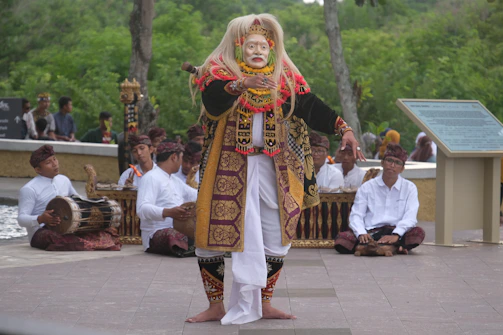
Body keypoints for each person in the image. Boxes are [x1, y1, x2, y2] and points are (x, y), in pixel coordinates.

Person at [185, 14, 364, 324]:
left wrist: (343, 128)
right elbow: (213, 102)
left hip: (274, 166)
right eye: (250, 45)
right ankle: (216, 305)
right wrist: (241, 84)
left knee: (279, 235)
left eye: (263, 46)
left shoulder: (284, 80)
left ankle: (265, 303)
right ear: (239, 48)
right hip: (227, 164)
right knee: (209, 233)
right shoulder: (219, 74)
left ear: (271, 50)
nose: (257, 50)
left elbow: (312, 107)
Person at [17, 145, 122, 251]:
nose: (55, 164)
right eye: (48, 162)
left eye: (55, 159)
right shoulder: (29, 189)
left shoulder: (63, 180)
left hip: (67, 226)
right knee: (58, 238)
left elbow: (77, 200)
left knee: (108, 231)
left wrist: (97, 202)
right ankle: (92, 244)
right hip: (40, 231)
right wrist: (41, 218)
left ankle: (88, 243)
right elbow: (21, 219)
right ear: (38, 169)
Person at [334, 143, 425, 255]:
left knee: (417, 233)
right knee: (342, 239)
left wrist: (396, 235)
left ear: (402, 169)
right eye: (389, 160)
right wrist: (361, 233)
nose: (392, 165)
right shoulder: (367, 187)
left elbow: (410, 217)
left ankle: (370, 248)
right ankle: (390, 248)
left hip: (395, 231)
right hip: (371, 232)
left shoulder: (409, 187)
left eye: (397, 163)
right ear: (382, 163)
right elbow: (356, 214)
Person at [137, 140, 198, 257]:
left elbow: (196, 195)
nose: (181, 163)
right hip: (155, 233)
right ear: (174, 157)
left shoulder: (175, 180)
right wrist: (168, 212)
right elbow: (142, 209)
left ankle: (193, 245)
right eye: (181, 158)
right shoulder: (150, 178)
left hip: (178, 229)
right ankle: (193, 246)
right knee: (173, 236)